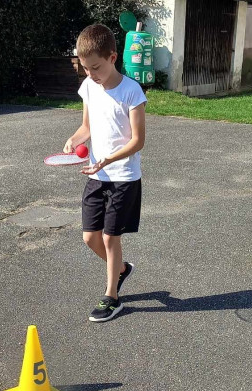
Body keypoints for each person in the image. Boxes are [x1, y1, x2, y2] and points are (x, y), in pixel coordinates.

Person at [63, 24, 147, 322]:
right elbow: (86, 126)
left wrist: (107, 159)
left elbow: (138, 140)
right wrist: (75, 139)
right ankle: (121, 269)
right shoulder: (89, 87)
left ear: (112, 57)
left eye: (95, 67)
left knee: (111, 238)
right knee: (90, 237)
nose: (90, 74)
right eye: (85, 68)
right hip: (96, 176)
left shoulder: (131, 91)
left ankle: (112, 297)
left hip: (123, 177)